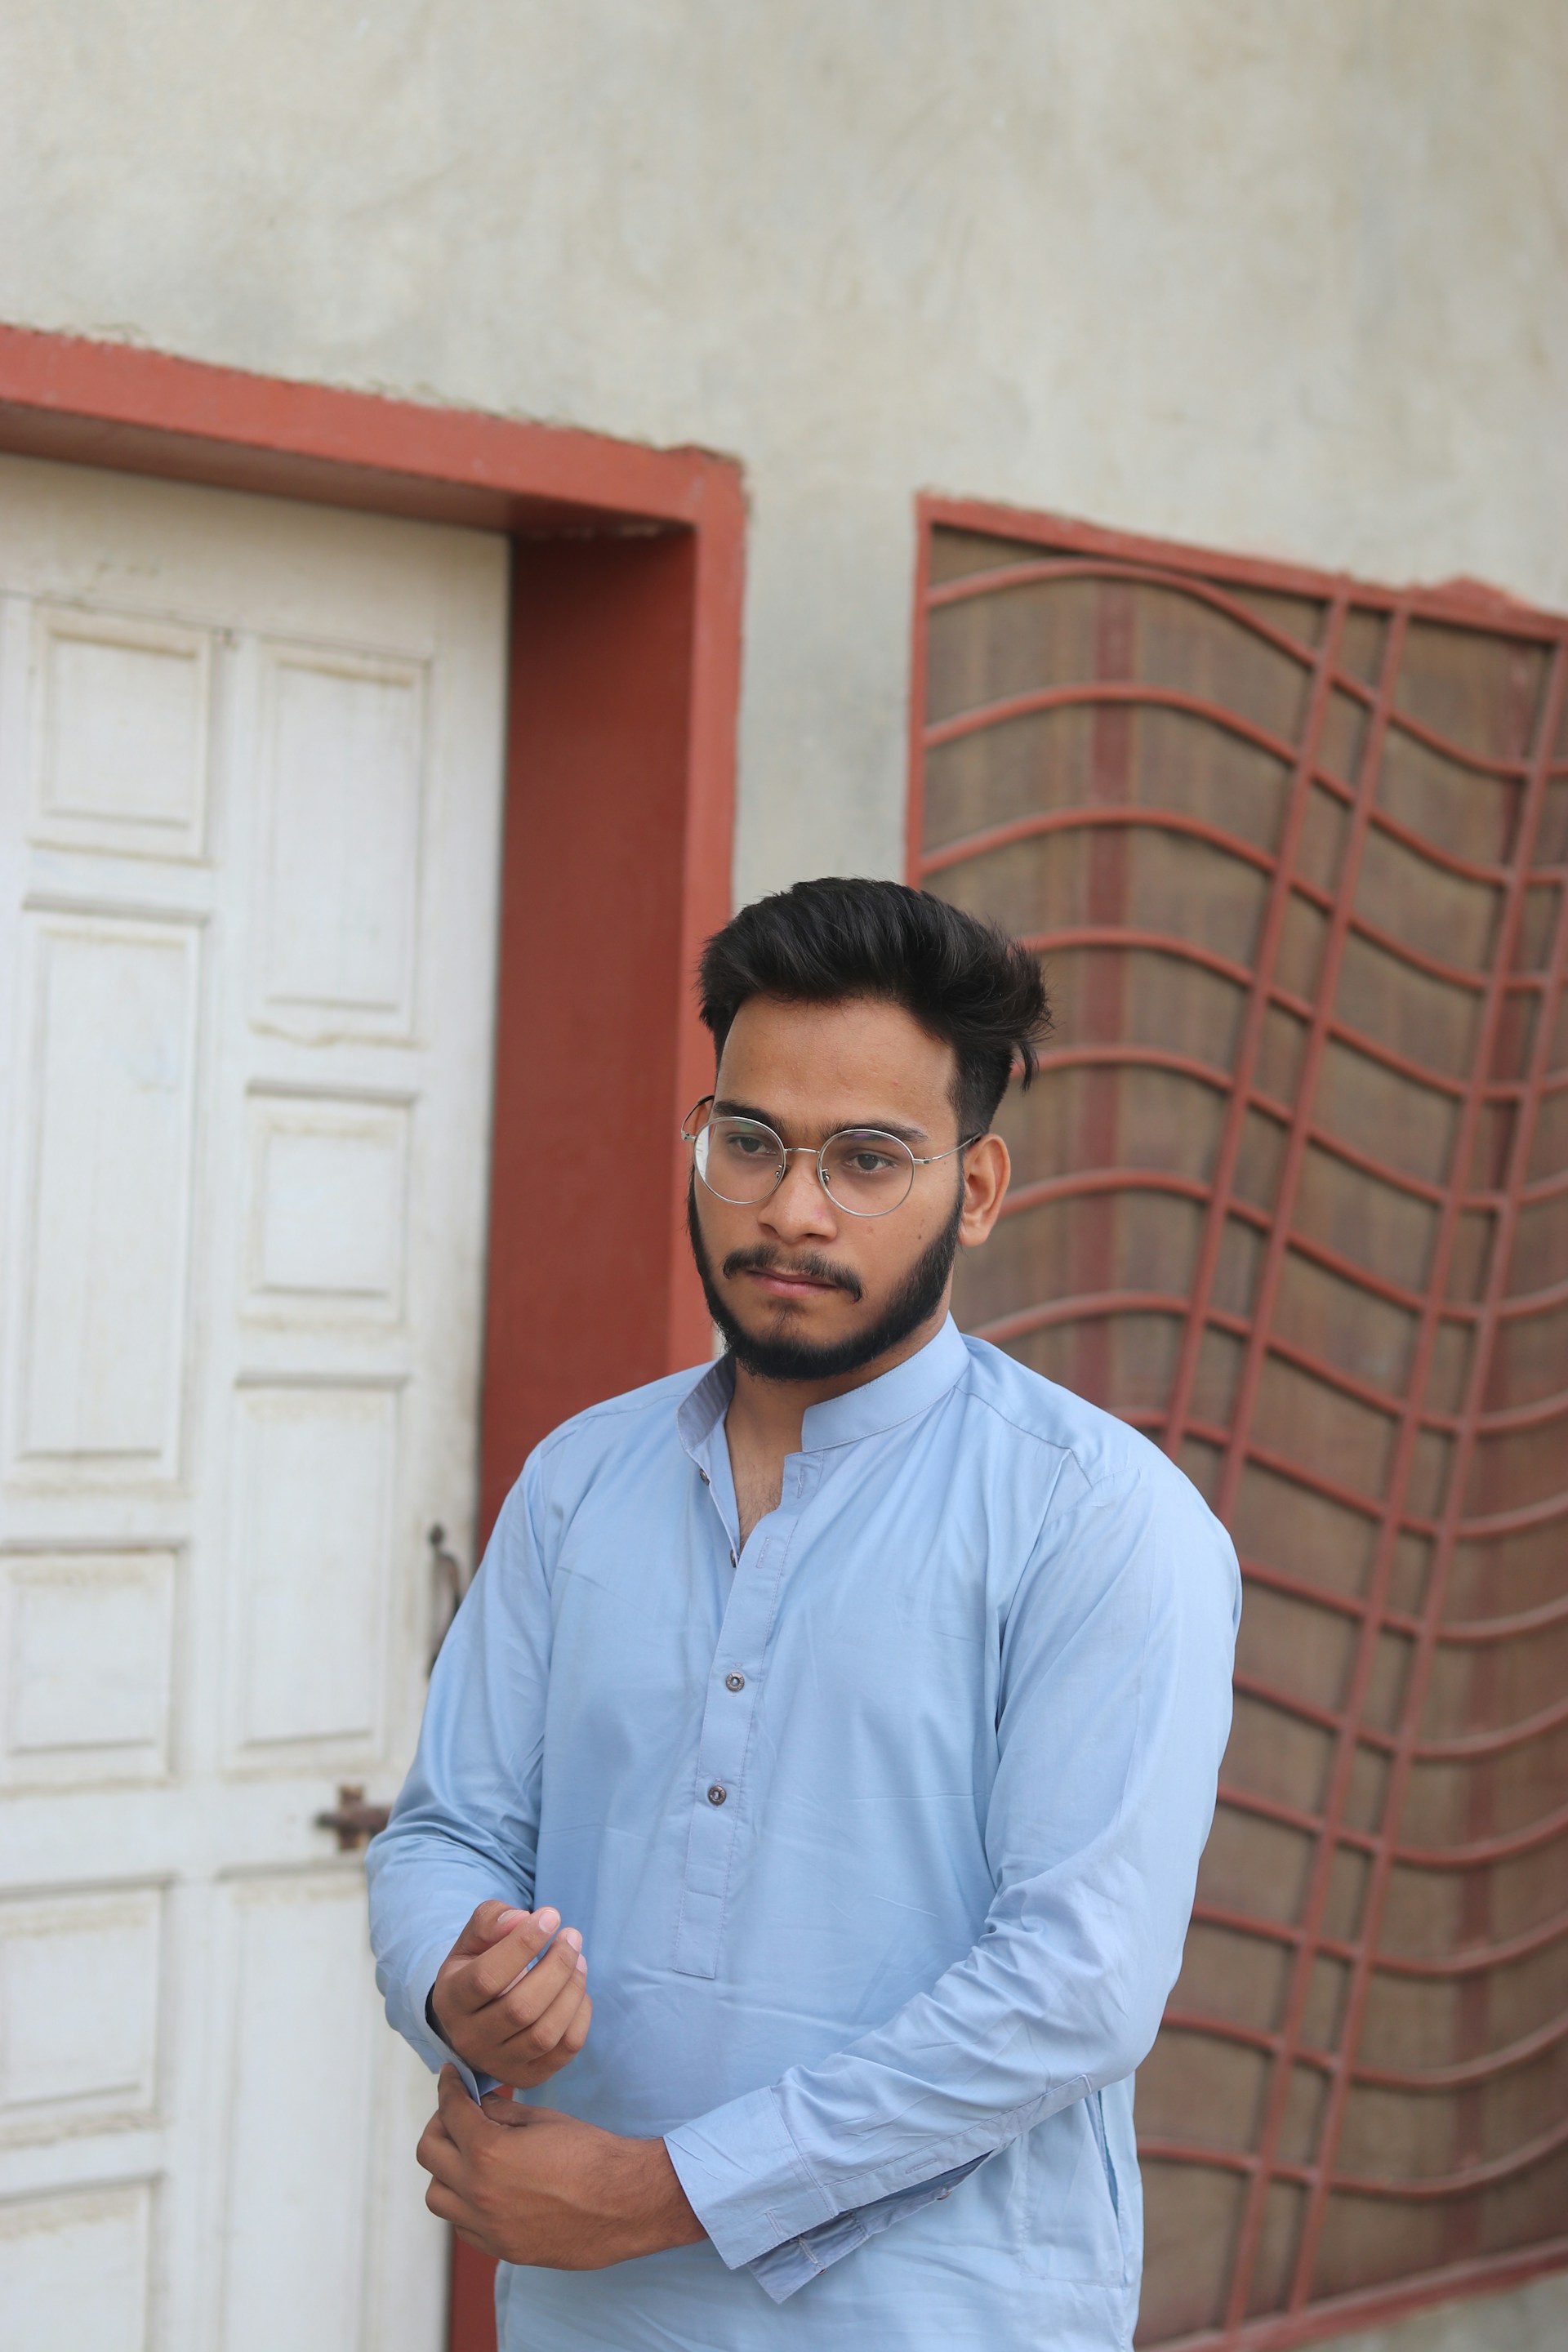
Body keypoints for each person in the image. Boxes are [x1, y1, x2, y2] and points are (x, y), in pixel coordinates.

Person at [368, 875, 1239, 2352]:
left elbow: (1074, 1986)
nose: (791, 1208)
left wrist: (664, 2194)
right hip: (592, 2316)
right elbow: (449, 1826)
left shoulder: (1096, 1517)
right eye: (751, 1141)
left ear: (975, 1188)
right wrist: (458, 1984)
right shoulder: (583, 1482)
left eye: (868, 1159)